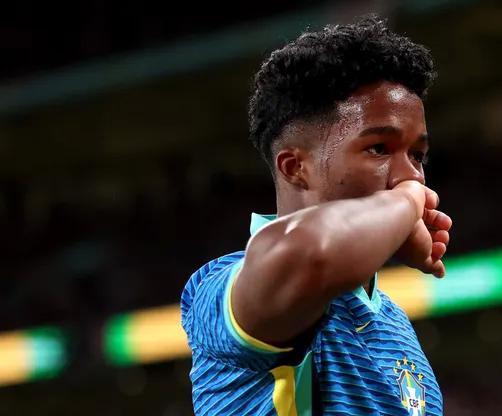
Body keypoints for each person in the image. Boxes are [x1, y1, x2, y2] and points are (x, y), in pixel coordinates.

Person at [181, 15, 452, 415]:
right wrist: (408, 202)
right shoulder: (221, 290)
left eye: (418, 155)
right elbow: (311, 253)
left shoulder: (395, 324)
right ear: (295, 167)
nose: (412, 176)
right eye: (378, 149)